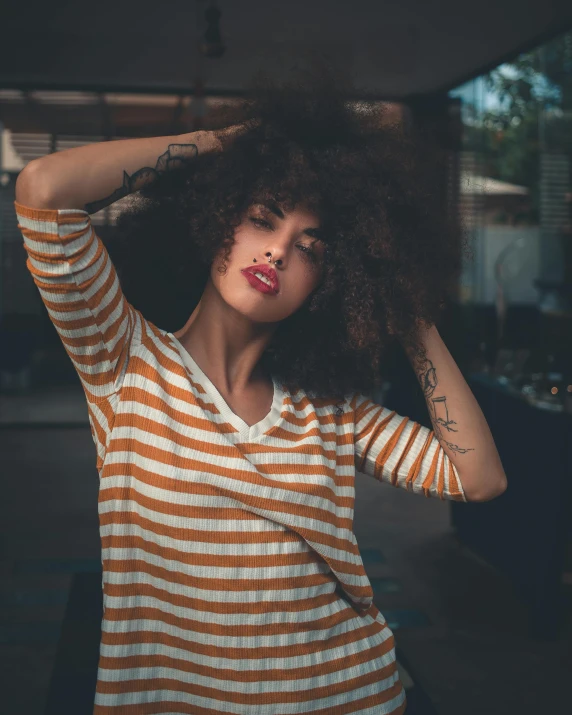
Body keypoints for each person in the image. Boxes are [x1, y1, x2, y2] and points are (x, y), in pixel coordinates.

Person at [14, 68, 507, 715]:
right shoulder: (124, 359)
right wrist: (221, 143)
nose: (277, 252)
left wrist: (410, 314)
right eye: (262, 218)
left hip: (353, 695)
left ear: (331, 283)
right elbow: (43, 192)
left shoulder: (330, 413)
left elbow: (478, 479)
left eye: (310, 246)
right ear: (216, 217)